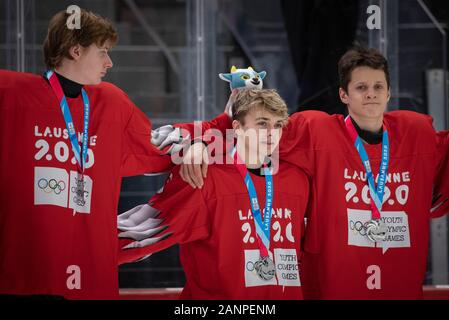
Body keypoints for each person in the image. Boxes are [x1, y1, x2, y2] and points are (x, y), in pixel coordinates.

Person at [175, 46, 449, 299]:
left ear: (390, 92)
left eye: (379, 86)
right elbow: (253, 128)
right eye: (361, 87)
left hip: (398, 285)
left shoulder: (417, 134)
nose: (371, 94)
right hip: (331, 286)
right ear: (344, 94)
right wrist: (201, 142)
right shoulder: (315, 131)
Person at [0, 8, 230, 299]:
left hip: (90, 275)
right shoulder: (11, 96)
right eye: (103, 52)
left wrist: (204, 138)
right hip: (22, 273)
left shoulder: (110, 103)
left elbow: (155, 145)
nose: (109, 62)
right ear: (75, 50)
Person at [118, 89, 310, 299]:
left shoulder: (297, 181)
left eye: (278, 125)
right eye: (262, 123)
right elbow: (143, 233)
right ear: (237, 128)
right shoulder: (206, 178)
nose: (272, 132)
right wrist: (84, 248)